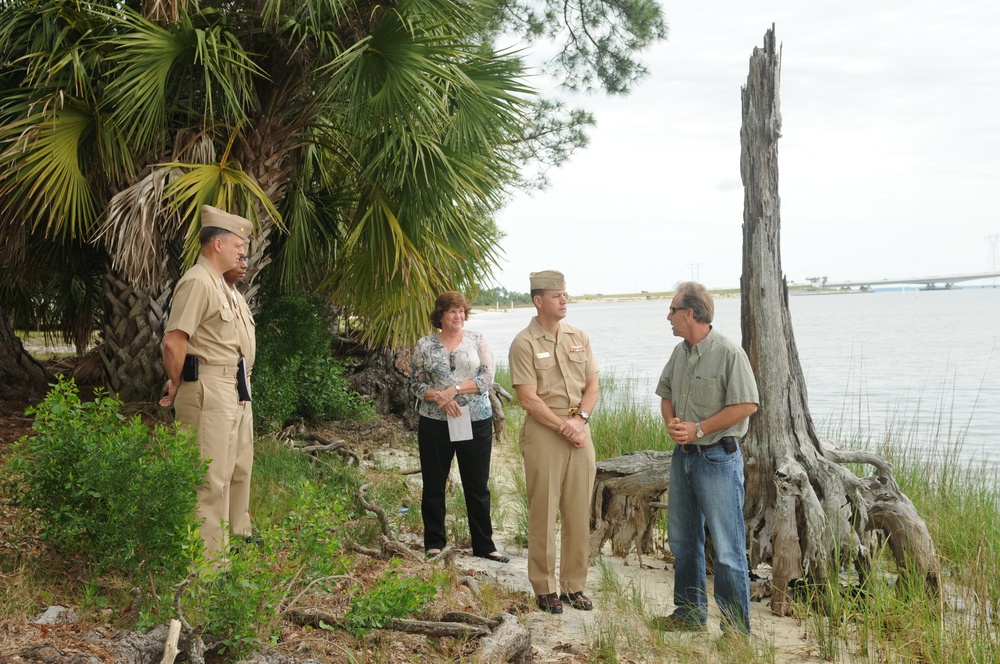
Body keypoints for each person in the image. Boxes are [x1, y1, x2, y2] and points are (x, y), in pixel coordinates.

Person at [654, 282, 759, 634]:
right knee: (683, 540)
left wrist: (699, 429)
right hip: (682, 457)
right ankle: (689, 615)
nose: (667, 316)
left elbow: (747, 405)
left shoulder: (729, 353)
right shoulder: (679, 352)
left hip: (718, 460)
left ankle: (735, 632)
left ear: (689, 313)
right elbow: (665, 394)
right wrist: (672, 424)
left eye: (672, 310)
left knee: (728, 550)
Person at [160, 204, 250, 562]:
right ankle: (207, 569)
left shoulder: (223, 286)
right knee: (208, 480)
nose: (243, 253)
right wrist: (178, 382)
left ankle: (226, 552)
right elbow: (173, 341)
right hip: (208, 388)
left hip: (231, 388)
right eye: (238, 246)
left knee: (228, 474)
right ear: (217, 244)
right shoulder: (198, 281)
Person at [508, 270, 598, 615]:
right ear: (538, 300)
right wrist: (565, 425)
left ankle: (574, 587)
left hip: (579, 428)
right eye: (557, 295)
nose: (564, 300)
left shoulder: (579, 337)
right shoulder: (524, 342)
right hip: (546, 430)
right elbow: (528, 399)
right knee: (544, 511)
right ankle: (545, 588)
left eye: (565, 294)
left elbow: (592, 385)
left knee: (578, 512)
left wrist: (581, 421)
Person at [410, 291, 508, 563]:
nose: (459, 315)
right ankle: (434, 543)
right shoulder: (424, 345)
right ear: (440, 314)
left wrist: (452, 390)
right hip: (435, 422)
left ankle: (484, 545)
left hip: (475, 420)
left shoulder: (477, 340)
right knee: (433, 483)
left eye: (462, 310)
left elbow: (487, 377)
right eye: (452, 311)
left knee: (477, 485)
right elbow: (416, 384)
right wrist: (440, 399)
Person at [223, 254, 257, 545]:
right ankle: (217, 537)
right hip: (221, 384)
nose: (245, 263)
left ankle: (240, 530)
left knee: (242, 462)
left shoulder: (237, 296)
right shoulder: (209, 290)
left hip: (243, 386)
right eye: (239, 256)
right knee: (222, 465)